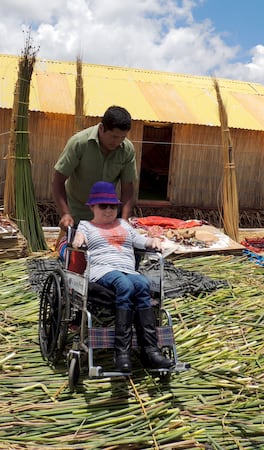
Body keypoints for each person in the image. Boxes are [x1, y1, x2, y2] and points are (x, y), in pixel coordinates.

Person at [71, 181, 175, 373]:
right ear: (92, 206)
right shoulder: (86, 225)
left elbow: (141, 241)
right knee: (125, 285)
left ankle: (150, 350)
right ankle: (122, 353)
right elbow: (79, 240)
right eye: (103, 206)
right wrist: (79, 240)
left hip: (127, 270)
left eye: (113, 206)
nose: (109, 210)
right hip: (101, 270)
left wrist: (153, 241)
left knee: (142, 283)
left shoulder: (123, 225)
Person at [53, 105, 138, 229]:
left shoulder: (127, 149)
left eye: (122, 137)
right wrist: (65, 214)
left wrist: (124, 220)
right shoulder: (79, 143)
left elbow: (128, 187)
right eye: (114, 136)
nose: (118, 141)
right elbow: (58, 181)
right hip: (77, 215)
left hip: (108, 216)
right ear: (102, 128)